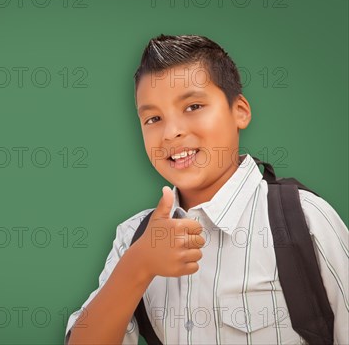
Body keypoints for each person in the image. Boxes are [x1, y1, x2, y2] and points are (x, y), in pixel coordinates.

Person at [64, 34, 348, 344]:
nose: (172, 132)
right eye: (153, 118)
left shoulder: (304, 220)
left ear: (239, 111)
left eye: (193, 106)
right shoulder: (135, 238)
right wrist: (138, 266)